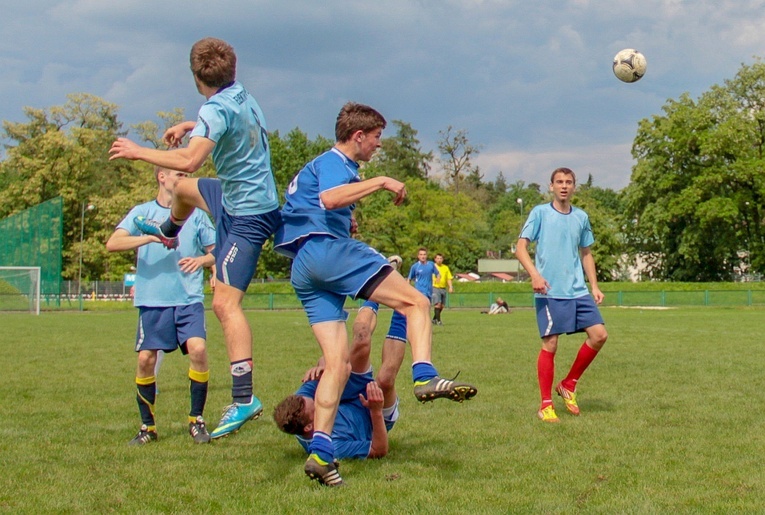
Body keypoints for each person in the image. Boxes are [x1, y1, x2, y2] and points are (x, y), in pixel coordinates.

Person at [274, 102, 477, 486]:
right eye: (377, 139)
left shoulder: (316, 168)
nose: (378, 147)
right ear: (358, 136)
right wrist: (383, 181)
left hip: (303, 267)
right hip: (325, 251)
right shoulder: (336, 160)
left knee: (336, 365)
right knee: (416, 301)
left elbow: (319, 205)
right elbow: (330, 198)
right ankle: (424, 376)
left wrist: (343, 214)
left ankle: (320, 453)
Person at [109, 37, 281, 439]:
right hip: (238, 197)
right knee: (185, 190)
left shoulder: (215, 107)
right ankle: (171, 229)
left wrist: (138, 151)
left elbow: (188, 159)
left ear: (196, 78)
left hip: (249, 215)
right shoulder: (242, 96)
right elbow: (226, 125)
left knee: (224, 304)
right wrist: (192, 126)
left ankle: (244, 398)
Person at [106, 166, 216, 445]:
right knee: (145, 360)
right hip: (153, 300)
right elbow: (113, 243)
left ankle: (196, 420)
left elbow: (216, 253)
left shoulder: (197, 215)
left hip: (188, 299)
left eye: (185, 174)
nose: (182, 179)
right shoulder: (142, 213)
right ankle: (148, 427)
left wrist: (203, 262)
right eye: (177, 174)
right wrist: (152, 236)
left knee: (199, 349)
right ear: (161, 177)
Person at [273, 276, 407, 462]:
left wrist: (323, 365)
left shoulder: (302, 399)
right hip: (373, 418)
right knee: (385, 379)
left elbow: (328, 360)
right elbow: (379, 449)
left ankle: (379, 282)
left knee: (361, 340)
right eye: (315, 404)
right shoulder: (332, 446)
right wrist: (376, 411)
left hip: (348, 392)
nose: (315, 397)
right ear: (308, 426)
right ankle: (405, 308)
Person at [514, 167, 608, 423]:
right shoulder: (540, 213)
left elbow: (586, 253)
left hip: (578, 291)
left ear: (574, 187)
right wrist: (534, 275)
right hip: (549, 292)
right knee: (551, 344)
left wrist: (595, 286)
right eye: (559, 182)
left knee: (599, 335)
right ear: (551, 186)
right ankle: (545, 405)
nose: (564, 186)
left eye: (568, 182)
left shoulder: (581, 217)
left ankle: (568, 384)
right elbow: (520, 248)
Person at [407, 248, 440, 324]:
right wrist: (407, 289)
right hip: (420, 291)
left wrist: (438, 278)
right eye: (421, 254)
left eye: (424, 254)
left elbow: (437, 273)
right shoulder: (415, 267)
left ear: (427, 255)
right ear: (418, 256)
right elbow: (409, 278)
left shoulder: (431, 265)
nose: (423, 256)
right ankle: (421, 325)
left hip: (429, 291)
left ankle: (422, 325)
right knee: (422, 308)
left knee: (427, 309)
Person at [431, 253, 453, 325]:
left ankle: (434, 319)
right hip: (435, 287)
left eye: (441, 258)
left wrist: (450, 287)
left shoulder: (445, 268)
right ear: (435, 259)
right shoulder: (432, 267)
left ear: (442, 259)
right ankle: (439, 321)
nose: (439, 260)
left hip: (443, 288)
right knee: (437, 304)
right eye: (438, 258)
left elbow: (449, 278)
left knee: (442, 306)